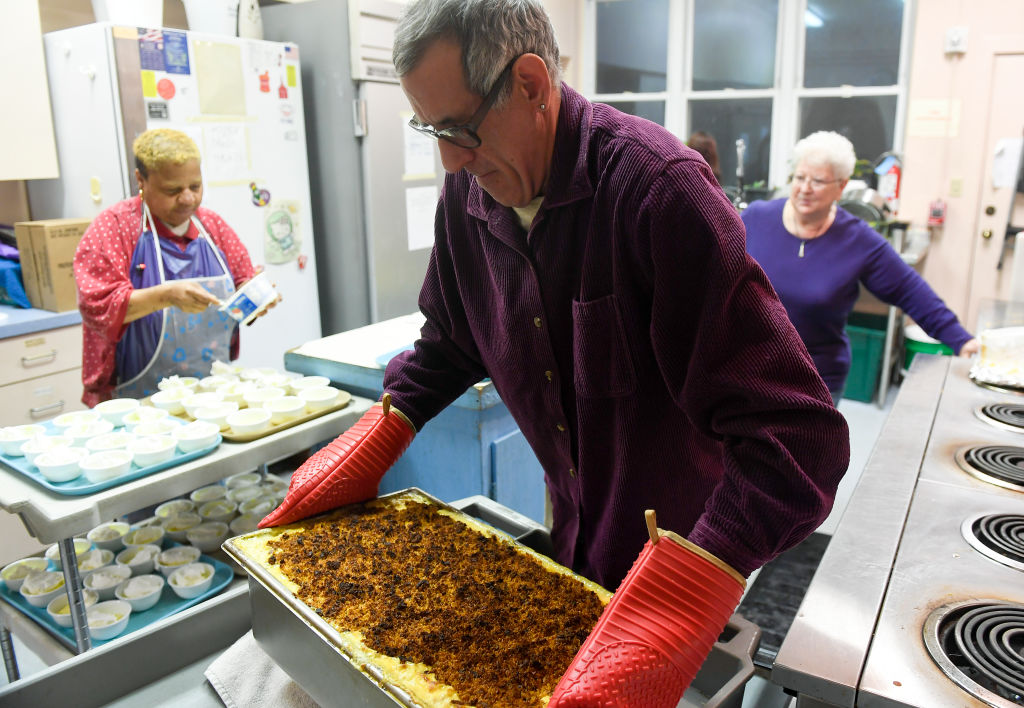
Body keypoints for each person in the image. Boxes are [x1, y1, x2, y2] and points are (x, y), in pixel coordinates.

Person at [260, 1, 850, 705]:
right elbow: (451, 341)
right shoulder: (469, 196)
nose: (449, 159)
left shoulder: (656, 192)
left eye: (459, 129)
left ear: (532, 85)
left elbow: (798, 442)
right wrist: (385, 426)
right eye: (430, 130)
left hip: (687, 556)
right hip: (575, 528)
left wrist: (683, 595)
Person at [742, 131, 979, 405]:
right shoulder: (756, 219)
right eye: (799, 177)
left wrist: (960, 339)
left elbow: (911, 291)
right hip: (750, 369)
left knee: (804, 448)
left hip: (815, 379)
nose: (805, 188)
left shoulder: (857, 240)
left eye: (818, 181)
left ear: (841, 187)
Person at [74, 128, 261, 406]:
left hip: (213, 392)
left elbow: (243, 283)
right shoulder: (114, 227)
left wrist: (256, 296)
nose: (187, 199)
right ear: (141, 179)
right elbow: (97, 307)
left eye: (195, 186)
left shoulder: (211, 226)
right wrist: (165, 296)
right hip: (134, 397)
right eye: (173, 190)